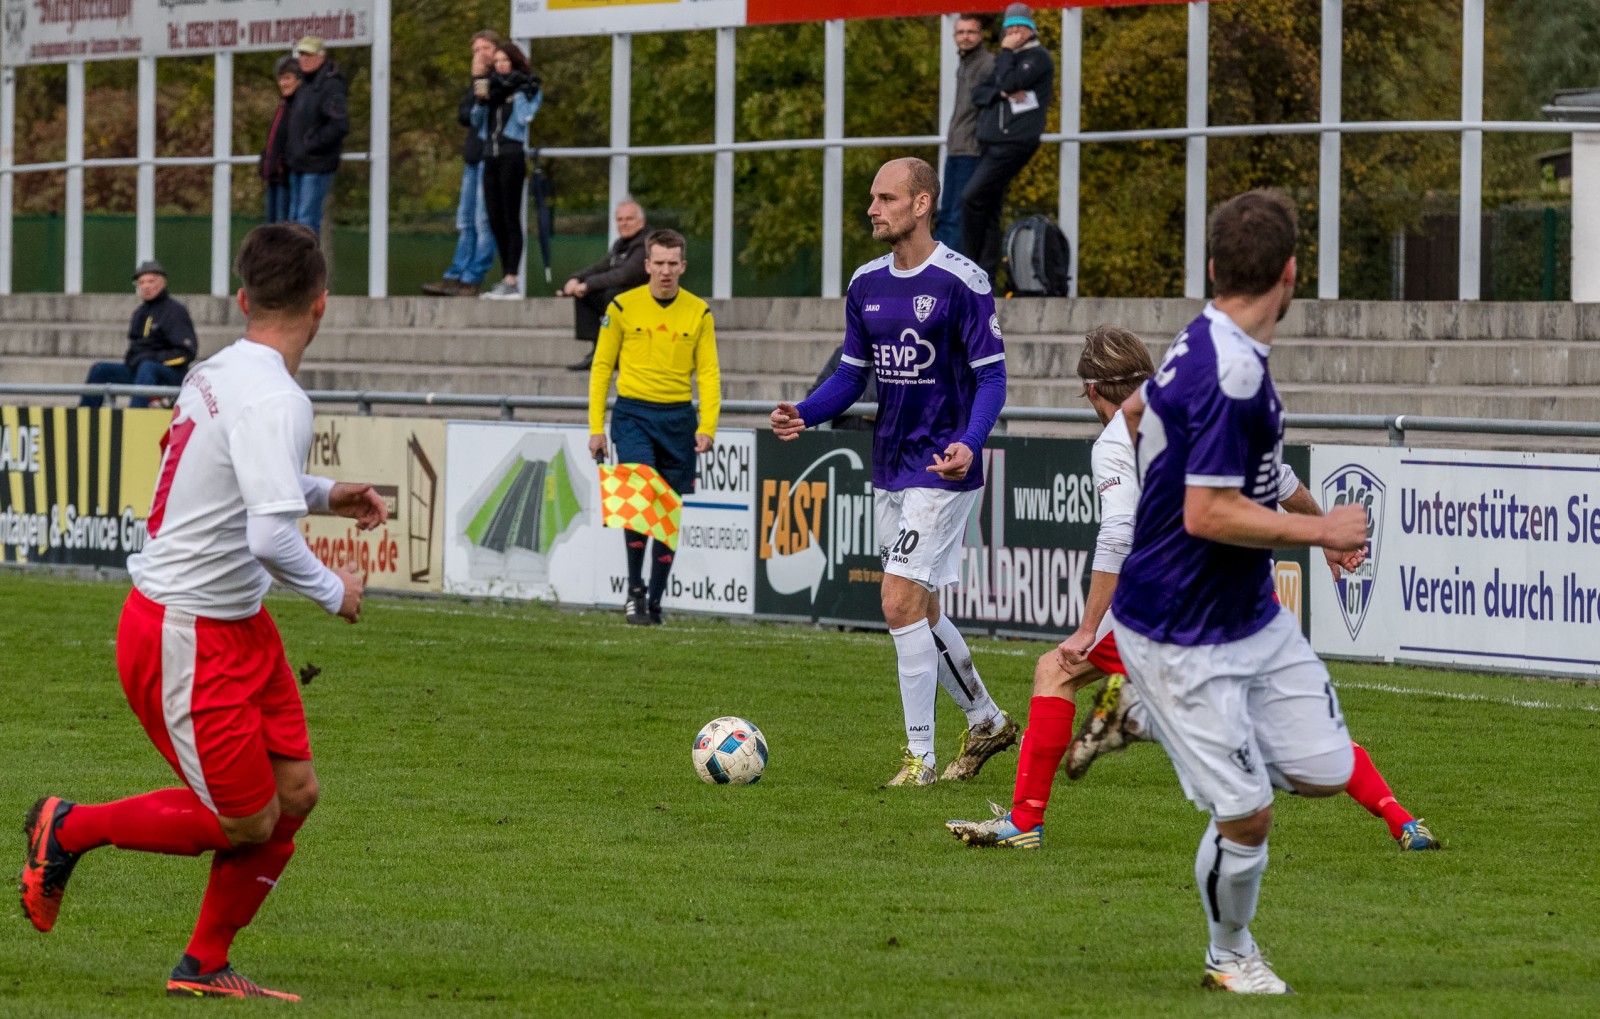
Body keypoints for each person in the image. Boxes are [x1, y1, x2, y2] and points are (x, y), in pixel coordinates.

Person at [20, 223, 386, 1001]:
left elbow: (233, 479)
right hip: (184, 628)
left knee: (295, 795)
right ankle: (67, 826)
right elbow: (266, 533)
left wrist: (329, 492)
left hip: (237, 623)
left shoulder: (222, 369)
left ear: (245, 298)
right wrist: (335, 592)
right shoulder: (276, 396)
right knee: (246, 820)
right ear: (323, 305)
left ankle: (203, 963)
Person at [946, 326, 1442, 856]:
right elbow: (1281, 481)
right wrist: (1327, 538)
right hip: (1244, 594)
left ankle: (1030, 816)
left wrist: (1088, 628)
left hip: (1172, 599)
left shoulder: (1117, 440)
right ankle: (1402, 820)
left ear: (1092, 391)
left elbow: (1118, 533)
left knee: (1058, 668)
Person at [1111, 190, 1368, 994]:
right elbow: (1208, 511)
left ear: (1215, 269)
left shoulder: (1210, 340)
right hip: (1180, 630)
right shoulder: (1229, 371)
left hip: (1249, 617)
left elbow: (1131, 409)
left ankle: (1146, 717)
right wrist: (1324, 531)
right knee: (1249, 811)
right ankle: (1231, 955)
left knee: (1328, 769)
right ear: (1293, 274)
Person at [771, 157, 1016, 787]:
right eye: (872, 199)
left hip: (943, 466)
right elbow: (854, 374)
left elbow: (992, 376)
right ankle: (985, 718)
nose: (873, 209)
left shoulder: (964, 282)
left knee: (897, 599)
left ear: (921, 204)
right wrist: (806, 410)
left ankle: (921, 760)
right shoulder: (865, 283)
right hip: (892, 465)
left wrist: (970, 441)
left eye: (885, 199)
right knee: (923, 610)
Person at [588, 229, 720, 626]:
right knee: (641, 493)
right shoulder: (622, 307)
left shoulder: (699, 312)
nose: (665, 271)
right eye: (658, 263)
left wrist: (708, 425)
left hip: (679, 418)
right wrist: (596, 426)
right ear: (647, 265)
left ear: (682, 266)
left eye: (672, 263)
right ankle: (634, 592)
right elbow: (600, 369)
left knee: (667, 510)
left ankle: (656, 600)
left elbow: (709, 374)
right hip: (632, 415)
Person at [961, 3, 1053, 283]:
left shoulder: (1037, 58)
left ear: (1030, 30)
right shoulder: (1010, 59)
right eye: (1009, 29)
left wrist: (1006, 53)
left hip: (1013, 143)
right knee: (988, 206)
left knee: (971, 197)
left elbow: (1010, 81)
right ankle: (983, 274)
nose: (1013, 34)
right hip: (991, 143)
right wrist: (1002, 92)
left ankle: (969, 263)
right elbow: (979, 93)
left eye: (1019, 29)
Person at [422, 30, 503, 298]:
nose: (480, 54)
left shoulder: (501, 78)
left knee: (483, 221)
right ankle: (455, 274)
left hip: (492, 159)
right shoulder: (476, 82)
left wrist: (481, 79)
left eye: (486, 48)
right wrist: (477, 81)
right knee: (465, 221)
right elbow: (465, 116)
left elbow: (482, 116)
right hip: (473, 158)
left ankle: (473, 278)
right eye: (476, 49)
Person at [473, 42, 543, 301]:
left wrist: (520, 93)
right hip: (489, 156)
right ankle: (505, 277)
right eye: (498, 61)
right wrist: (481, 94)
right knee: (494, 218)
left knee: (511, 217)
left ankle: (512, 278)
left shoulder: (528, 86)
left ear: (514, 62)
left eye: (506, 60)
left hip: (511, 155)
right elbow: (475, 119)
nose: (501, 65)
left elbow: (526, 118)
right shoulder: (490, 87)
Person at [81, 261, 198, 409]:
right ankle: (85, 419)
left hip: (170, 373)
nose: (146, 286)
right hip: (141, 372)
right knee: (100, 370)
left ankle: (134, 417)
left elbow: (186, 353)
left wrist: (153, 359)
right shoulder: (139, 313)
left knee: (147, 367)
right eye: (141, 282)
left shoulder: (175, 311)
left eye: (151, 281)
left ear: (163, 283)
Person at [561, 201, 650, 370]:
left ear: (641, 221)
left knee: (612, 294)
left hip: (645, 299)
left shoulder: (647, 243)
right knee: (587, 295)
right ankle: (599, 350)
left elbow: (626, 275)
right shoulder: (621, 244)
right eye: (620, 219)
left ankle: (613, 352)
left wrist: (588, 284)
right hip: (625, 296)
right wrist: (577, 278)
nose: (623, 223)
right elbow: (602, 266)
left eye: (629, 219)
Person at [932, 15, 994, 251]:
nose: (965, 37)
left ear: (980, 35)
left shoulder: (987, 64)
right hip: (956, 147)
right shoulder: (965, 64)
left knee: (957, 214)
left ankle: (946, 268)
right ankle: (935, 264)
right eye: (960, 32)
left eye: (971, 32)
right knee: (946, 211)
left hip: (972, 149)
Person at [285, 36, 349, 236]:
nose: (304, 59)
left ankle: (307, 265)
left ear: (321, 56)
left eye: (309, 54)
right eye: (302, 54)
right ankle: (294, 265)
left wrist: (311, 144)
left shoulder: (331, 86)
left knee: (306, 222)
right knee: (294, 221)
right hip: (298, 164)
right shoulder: (304, 86)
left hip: (317, 165)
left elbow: (339, 125)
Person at [260, 56, 300, 225]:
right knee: (271, 229)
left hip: (288, 176)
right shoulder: (284, 105)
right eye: (281, 78)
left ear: (299, 79)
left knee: (284, 231)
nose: (283, 83)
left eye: (288, 78)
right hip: (274, 176)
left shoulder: (299, 105)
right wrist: (265, 162)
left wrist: (285, 163)